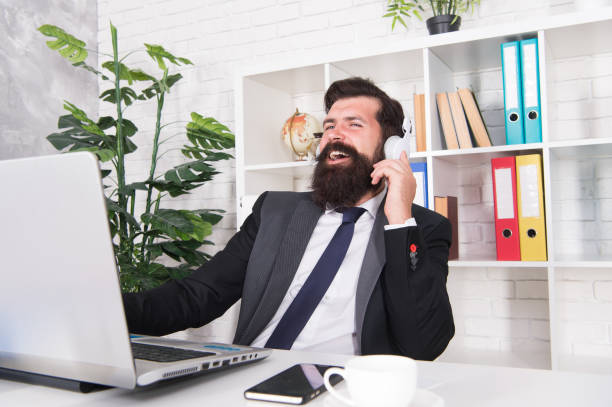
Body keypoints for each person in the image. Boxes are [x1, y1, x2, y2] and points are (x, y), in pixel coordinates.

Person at [123, 77, 454, 360]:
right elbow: (197, 297)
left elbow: (424, 344)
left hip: (340, 388)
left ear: (393, 146)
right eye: (329, 127)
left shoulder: (423, 229)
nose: (335, 135)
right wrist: (107, 312)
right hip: (249, 373)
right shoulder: (274, 211)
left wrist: (399, 220)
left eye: (354, 124)